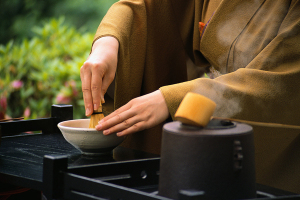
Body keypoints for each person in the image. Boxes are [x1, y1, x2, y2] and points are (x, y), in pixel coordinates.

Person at [80, 0, 300, 193]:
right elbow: (150, 7)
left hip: (271, 153)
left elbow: (286, 81)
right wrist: (108, 41)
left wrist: (175, 99)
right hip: (205, 133)